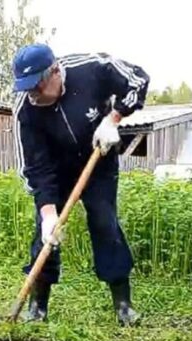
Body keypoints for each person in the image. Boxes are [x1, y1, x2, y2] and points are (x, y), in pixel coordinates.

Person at [10, 43, 150, 326]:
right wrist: (49, 215)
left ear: (55, 72)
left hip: (98, 160)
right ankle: (37, 307)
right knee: (45, 234)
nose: (32, 94)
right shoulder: (26, 112)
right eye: (26, 88)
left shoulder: (92, 69)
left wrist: (113, 119)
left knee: (105, 222)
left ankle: (123, 304)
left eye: (36, 86)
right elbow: (35, 168)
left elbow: (138, 80)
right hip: (56, 171)